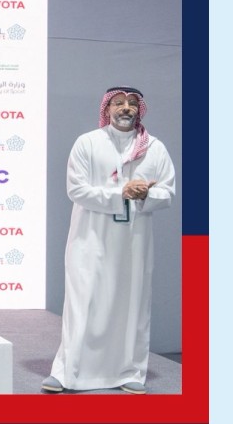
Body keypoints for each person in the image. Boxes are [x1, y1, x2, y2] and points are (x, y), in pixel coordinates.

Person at [42, 86, 177, 394]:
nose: (125, 108)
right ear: (107, 108)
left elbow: (167, 191)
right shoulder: (88, 142)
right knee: (83, 302)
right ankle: (66, 372)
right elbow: (77, 190)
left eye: (131, 103)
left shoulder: (154, 148)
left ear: (139, 110)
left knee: (131, 304)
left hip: (134, 241)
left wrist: (144, 194)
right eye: (118, 103)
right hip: (90, 238)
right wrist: (121, 193)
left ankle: (130, 372)